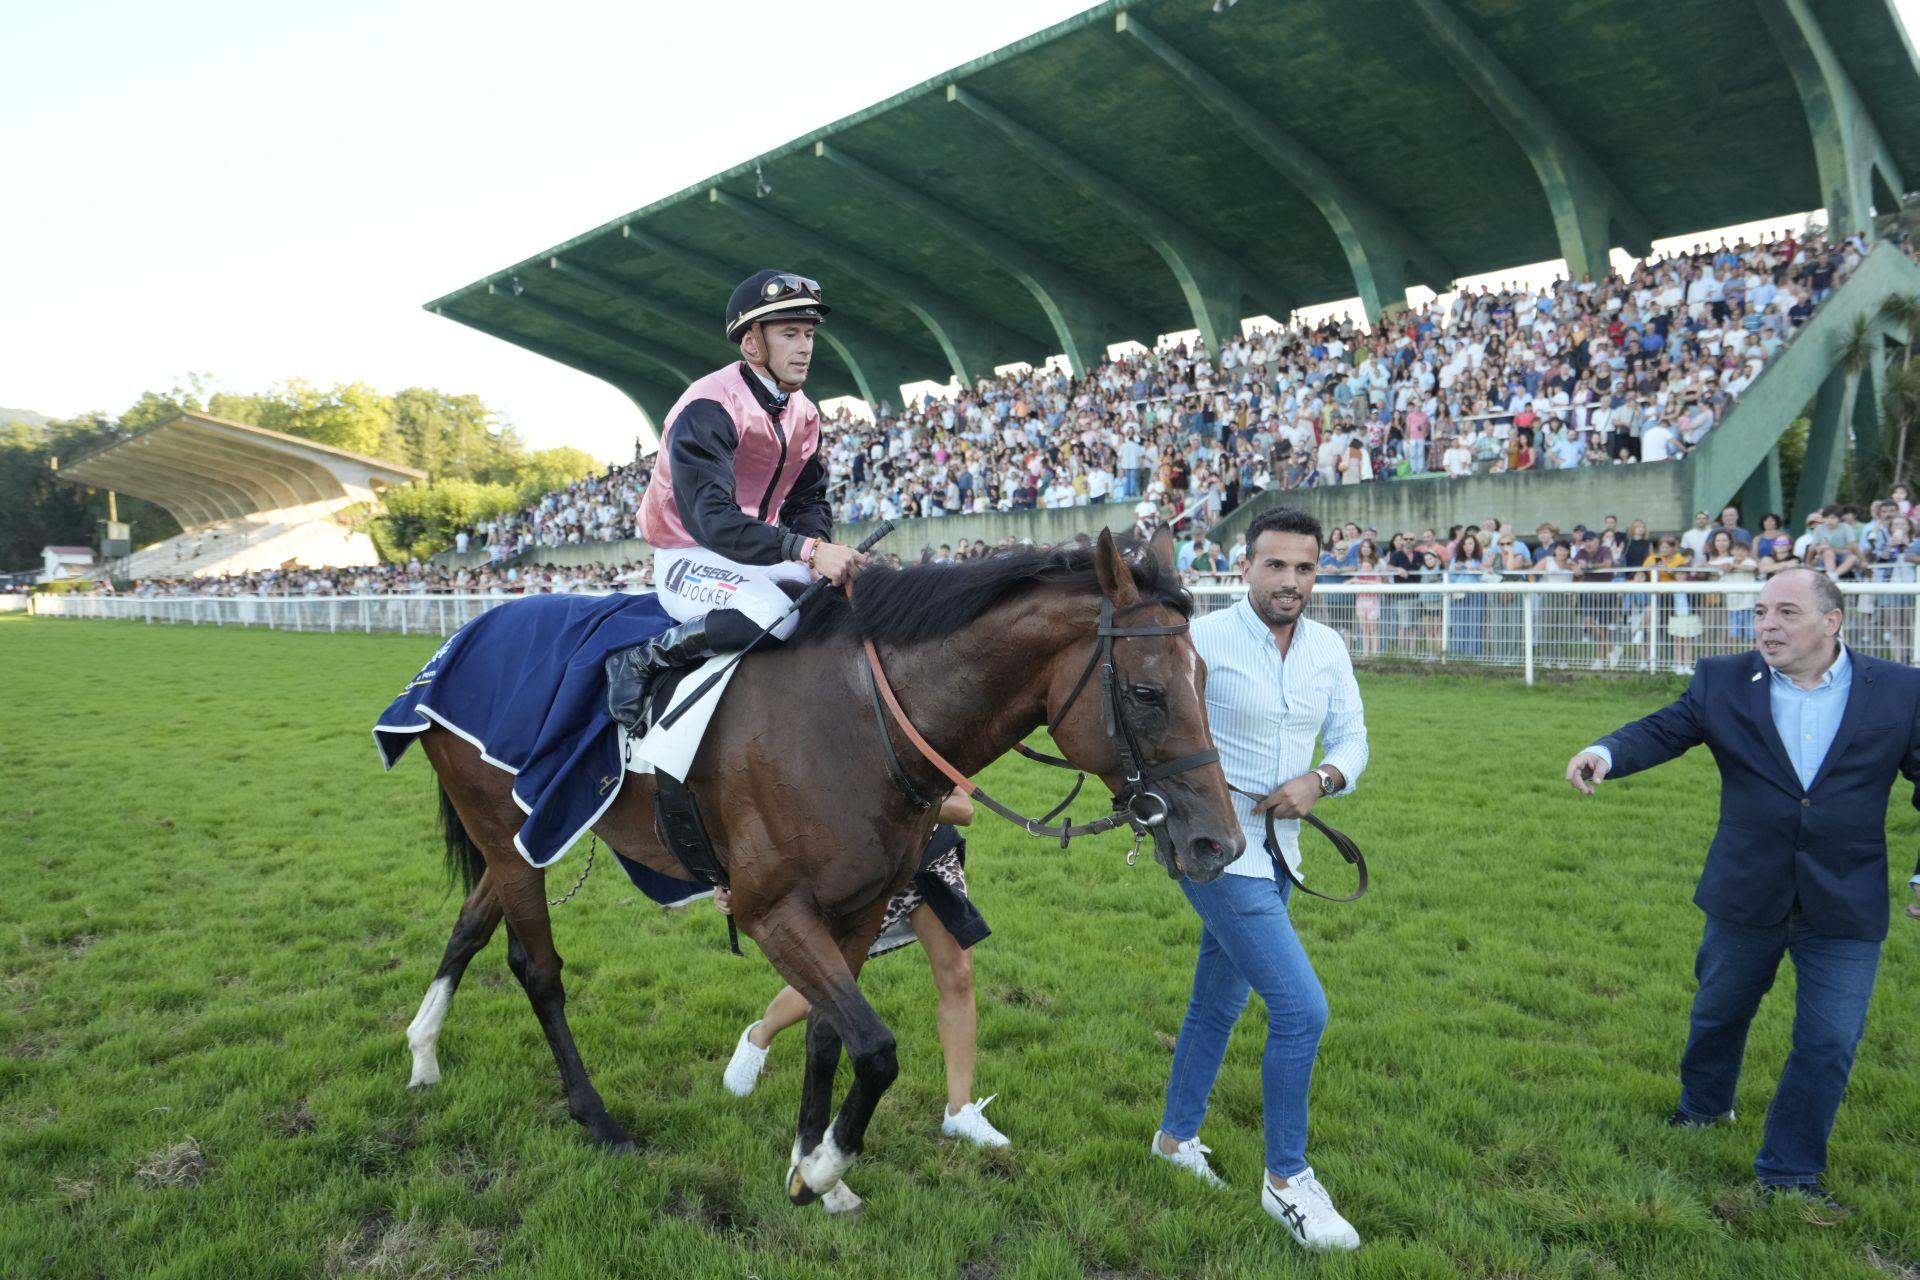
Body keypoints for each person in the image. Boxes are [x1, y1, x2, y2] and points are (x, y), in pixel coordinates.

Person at [1563, 569, 1920, 1213]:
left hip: (1845, 899)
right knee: (1719, 1012)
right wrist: (1605, 752)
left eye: (1785, 612)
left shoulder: (1899, 691)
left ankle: (1789, 1173)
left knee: (1830, 1040)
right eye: (1759, 613)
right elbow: (1665, 729)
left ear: (1831, 621)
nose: (1767, 626)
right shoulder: (1724, 679)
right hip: (1746, 889)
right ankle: (1703, 1108)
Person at [1152, 506, 1369, 1253]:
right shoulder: (1200, 640)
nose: (1290, 581)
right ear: (1245, 567)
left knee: (1217, 1001)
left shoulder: (1328, 648)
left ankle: (1175, 1140)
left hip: (1286, 851)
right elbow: (1153, 732)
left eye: (1304, 568)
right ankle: (1287, 1181)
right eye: (1275, 565)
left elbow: (1353, 737)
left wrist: (1322, 778)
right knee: (1303, 1011)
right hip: (1217, 853)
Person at [605, 271, 863, 729]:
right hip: (689, 551)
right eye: (789, 334)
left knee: (842, 602)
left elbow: (809, 500)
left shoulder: (804, 412)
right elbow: (711, 520)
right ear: (752, 344)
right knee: (776, 617)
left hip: (754, 550)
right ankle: (643, 660)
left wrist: (815, 549)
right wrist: (808, 551)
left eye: (808, 334)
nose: (805, 347)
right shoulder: (708, 406)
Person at [716, 789, 1009, 1146]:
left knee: (958, 977)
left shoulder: (921, 735)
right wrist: (735, 881)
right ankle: (759, 1036)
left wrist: (897, 799)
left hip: (930, 857)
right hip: (869, 866)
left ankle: (960, 1111)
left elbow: (963, 809)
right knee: (832, 981)